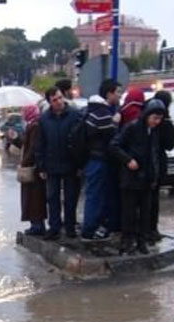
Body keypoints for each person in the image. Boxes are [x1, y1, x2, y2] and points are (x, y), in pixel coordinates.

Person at [110, 99, 165, 255]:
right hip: (131, 178)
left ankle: (141, 241)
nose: (157, 122)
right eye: (155, 118)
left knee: (145, 213)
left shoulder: (154, 131)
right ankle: (127, 241)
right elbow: (114, 146)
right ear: (147, 115)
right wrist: (128, 160)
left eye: (159, 119)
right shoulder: (132, 127)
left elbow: (153, 153)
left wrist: (154, 176)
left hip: (147, 179)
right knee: (129, 213)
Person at [36, 87, 81, 241]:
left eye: (60, 98)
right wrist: (41, 165)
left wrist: (80, 163)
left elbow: (81, 140)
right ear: (49, 102)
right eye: (55, 100)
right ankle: (54, 227)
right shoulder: (44, 119)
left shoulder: (74, 115)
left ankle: (70, 227)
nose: (59, 102)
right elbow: (40, 144)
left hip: (71, 163)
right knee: (52, 197)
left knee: (70, 197)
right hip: (51, 163)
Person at [81, 79, 122, 242]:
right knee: (95, 196)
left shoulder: (91, 110)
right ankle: (89, 230)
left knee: (94, 195)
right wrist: (115, 123)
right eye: (118, 92)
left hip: (92, 160)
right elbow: (112, 139)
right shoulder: (103, 113)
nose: (120, 96)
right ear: (109, 93)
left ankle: (90, 228)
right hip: (99, 161)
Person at [149, 91, 174, 242]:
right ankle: (151, 229)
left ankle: (145, 228)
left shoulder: (146, 118)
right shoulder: (165, 123)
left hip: (146, 164)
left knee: (146, 198)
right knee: (152, 199)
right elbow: (170, 145)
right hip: (157, 163)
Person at [19, 105, 46, 236]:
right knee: (32, 199)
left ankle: (37, 225)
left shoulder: (35, 126)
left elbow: (33, 148)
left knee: (35, 199)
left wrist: (24, 163)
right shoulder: (31, 125)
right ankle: (35, 224)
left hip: (33, 168)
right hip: (32, 167)